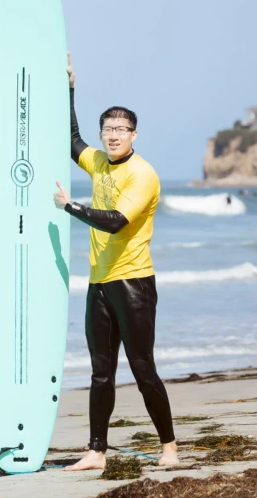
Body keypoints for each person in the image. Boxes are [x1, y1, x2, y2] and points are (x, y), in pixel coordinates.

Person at [53, 53, 178, 469]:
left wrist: (70, 207)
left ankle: (169, 448)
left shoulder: (142, 174)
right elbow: (71, 139)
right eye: (107, 129)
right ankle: (96, 450)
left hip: (134, 283)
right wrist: (69, 88)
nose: (112, 136)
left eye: (121, 130)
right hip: (100, 283)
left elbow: (116, 221)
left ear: (134, 134)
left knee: (143, 368)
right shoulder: (100, 163)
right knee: (100, 373)